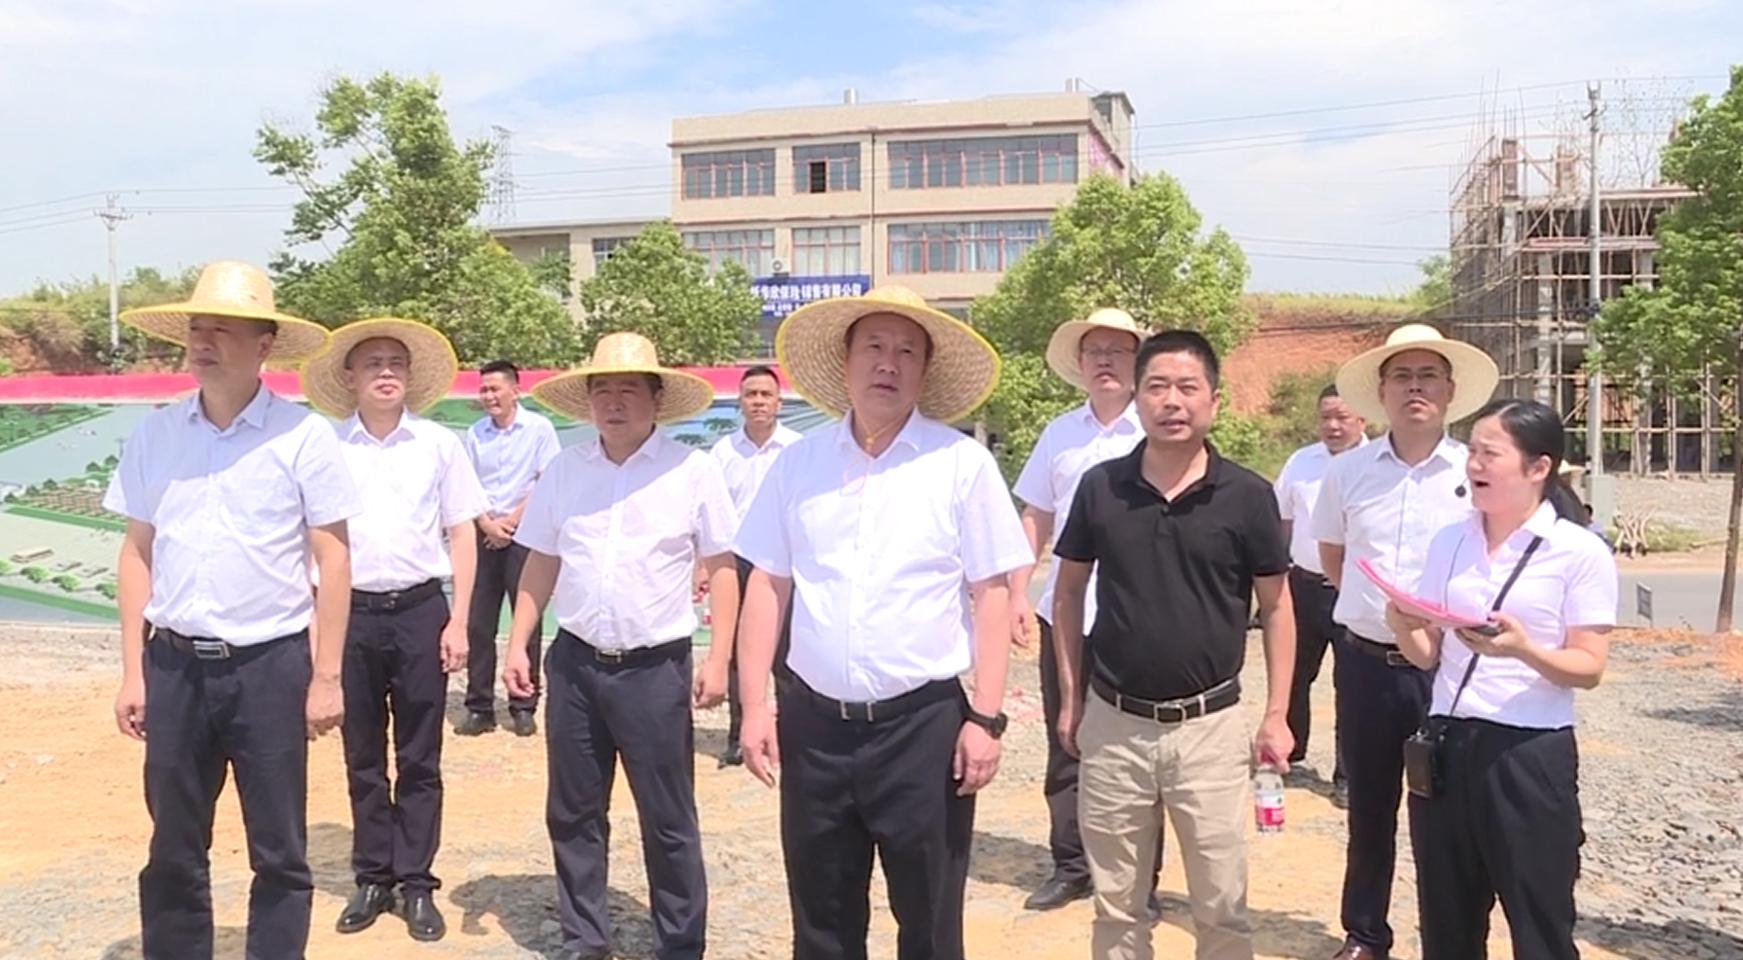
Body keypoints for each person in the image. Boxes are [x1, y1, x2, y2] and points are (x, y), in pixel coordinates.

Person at [734, 285, 1031, 960]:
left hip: (922, 730)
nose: (887, 363)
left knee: (928, 922)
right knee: (822, 921)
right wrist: (754, 707)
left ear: (924, 371)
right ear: (845, 362)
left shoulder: (960, 464)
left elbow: (990, 595)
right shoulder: (798, 465)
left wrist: (985, 719)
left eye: (906, 351)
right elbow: (768, 586)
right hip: (813, 726)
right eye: (873, 346)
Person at [102, 260, 360, 960]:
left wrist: (326, 677)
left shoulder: (302, 437)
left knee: (278, 848)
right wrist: (133, 671)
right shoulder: (157, 434)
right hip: (174, 665)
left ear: (264, 344)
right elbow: (136, 552)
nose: (202, 341)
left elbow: (334, 559)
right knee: (173, 846)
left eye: (222, 328)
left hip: (268, 668)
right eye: (196, 327)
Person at [1053, 329, 1296, 960]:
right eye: (1157, 386)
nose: (1172, 401)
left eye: (1188, 387)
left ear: (1214, 400)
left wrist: (1276, 713)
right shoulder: (1101, 487)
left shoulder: (1248, 496)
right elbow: (1068, 593)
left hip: (1210, 730)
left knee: (1221, 906)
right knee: (1117, 907)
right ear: (1137, 398)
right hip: (1115, 724)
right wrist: (1072, 699)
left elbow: (1276, 607)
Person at [502, 332, 740, 960]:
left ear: (656, 399)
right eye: (602, 390)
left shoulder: (691, 470)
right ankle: (585, 937)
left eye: (629, 389)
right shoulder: (565, 470)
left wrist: (719, 658)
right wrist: (518, 642)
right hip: (576, 664)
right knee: (574, 811)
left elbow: (722, 567)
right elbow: (541, 561)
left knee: (668, 817)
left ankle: (680, 944)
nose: (613, 402)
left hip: (654, 671)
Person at [1384, 398, 1616, 960]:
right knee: (1447, 923)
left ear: (1538, 467)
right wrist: (1403, 624)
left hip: (1528, 753)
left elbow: (1589, 667)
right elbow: (1427, 656)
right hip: (1447, 744)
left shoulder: (1578, 551)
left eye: (1490, 454)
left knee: (1539, 925)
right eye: (1472, 452)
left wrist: (1525, 649)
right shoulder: (1451, 541)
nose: (1474, 466)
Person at [1310, 324, 1499, 960]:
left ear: (1449, 390)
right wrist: (1378, 613)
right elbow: (1333, 556)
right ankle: (1365, 934)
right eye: (1402, 377)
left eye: (1427, 376)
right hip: (1366, 664)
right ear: (1382, 391)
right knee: (1369, 809)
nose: (1415, 388)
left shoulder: (1475, 471)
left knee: (1445, 815)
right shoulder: (1348, 472)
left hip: (1449, 672)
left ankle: (1449, 941)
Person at [298, 318, 488, 943]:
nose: (386, 372)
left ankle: (416, 882)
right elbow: (307, 544)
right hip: (347, 614)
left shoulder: (438, 444)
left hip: (419, 612)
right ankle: (372, 876)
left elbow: (461, 531)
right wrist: (315, 631)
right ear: (349, 377)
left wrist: (459, 619)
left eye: (396, 363)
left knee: (419, 755)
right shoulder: (325, 447)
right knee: (361, 753)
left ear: (409, 377)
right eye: (373, 363)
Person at [1009, 307, 1160, 913]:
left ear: (1137, 362)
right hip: (1067, 613)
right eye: (1094, 351)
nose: (1105, 361)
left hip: (1140, 616)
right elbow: (1036, 516)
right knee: (1067, 737)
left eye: (1117, 351)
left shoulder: (1158, 432)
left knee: (1142, 749)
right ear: (1079, 362)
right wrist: (1017, 592)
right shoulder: (1060, 434)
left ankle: (1139, 877)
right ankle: (1071, 864)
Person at [1271, 384, 1368, 807]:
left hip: (1353, 590)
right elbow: (1282, 519)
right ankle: (1290, 754)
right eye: (1325, 417)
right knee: (1293, 675)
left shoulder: (1377, 463)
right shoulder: (1300, 462)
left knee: (1353, 685)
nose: (1332, 425)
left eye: (1341, 417)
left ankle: (1348, 774)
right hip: (1304, 587)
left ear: (1362, 418)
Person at [459, 359, 561, 737]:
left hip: (525, 534)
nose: (488, 396)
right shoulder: (475, 433)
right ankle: (479, 706)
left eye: (495, 389)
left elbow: (546, 479)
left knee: (526, 620)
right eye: (483, 390)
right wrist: (488, 523)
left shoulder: (539, 429)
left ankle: (523, 704)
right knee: (478, 623)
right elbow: (465, 484)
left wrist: (513, 520)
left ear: (515, 391)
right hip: (484, 534)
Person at [707, 363, 802, 767]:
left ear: (779, 401)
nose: (759, 402)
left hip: (786, 561)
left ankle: (791, 735)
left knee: (788, 652)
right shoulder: (722, 453)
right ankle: (738, 735)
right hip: (737, 561)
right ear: (740, 402)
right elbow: (711, 515)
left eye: (766, 395)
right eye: (751, 395)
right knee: (736, 651)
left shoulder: (798, 450)